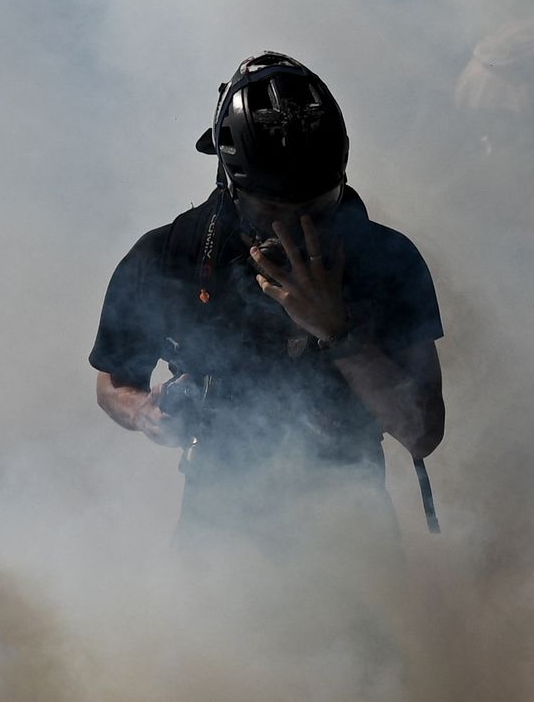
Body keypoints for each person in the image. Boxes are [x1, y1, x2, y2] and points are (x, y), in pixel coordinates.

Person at [92, 53, 445, 535]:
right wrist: (145, 413)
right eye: (273, 208)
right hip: (219, 524)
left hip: (351, 530)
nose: (297, 225)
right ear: (231, 183)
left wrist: (337, 332)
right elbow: (113, 383)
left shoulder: (386, 260)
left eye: (319, 204)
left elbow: (423, 433)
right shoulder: (174, 254)